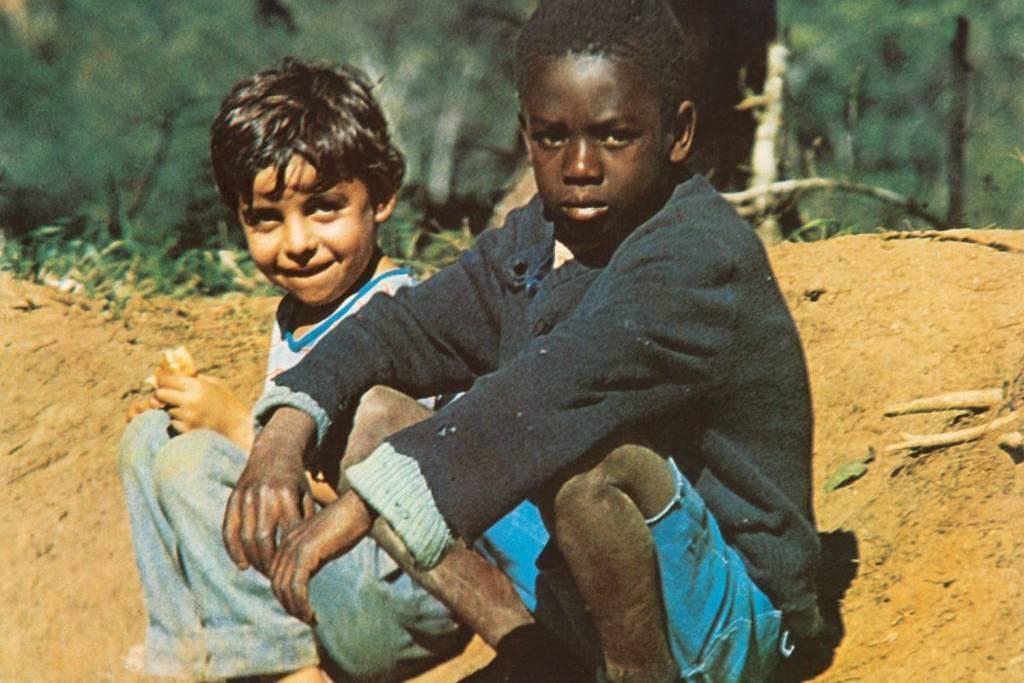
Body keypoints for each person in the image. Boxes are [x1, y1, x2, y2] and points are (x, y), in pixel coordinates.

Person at [228, 2, 825, 681]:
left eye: (616, 136)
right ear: (526, 135)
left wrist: (359, 506)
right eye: (552, 137)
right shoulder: (538, 239)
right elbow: (404, 326)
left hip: (735, 614)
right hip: (598, 579)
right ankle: (533, 656)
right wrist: (284, 433)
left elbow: (551, 394)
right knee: (372, 416)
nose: (580, 165)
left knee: (589, 463)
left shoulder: (698, 255)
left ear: (678, 132)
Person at [118, 58, 477, 682]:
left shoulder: (404, 317)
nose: (297, 242)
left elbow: (403, 501)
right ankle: (183, 657)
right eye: (266, 218)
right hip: (327, 578)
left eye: (324, 208)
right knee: (150, 440)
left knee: (194, 462)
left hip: (398, 592)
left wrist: (237, 431)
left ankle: (285, 671)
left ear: (381, 197)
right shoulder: (296, 314)